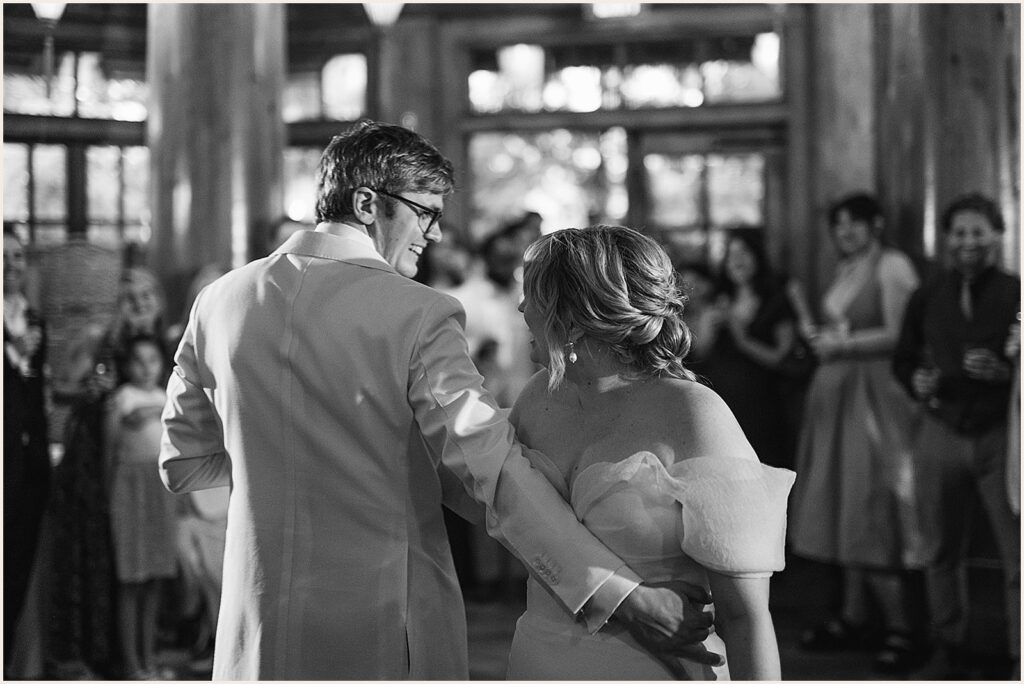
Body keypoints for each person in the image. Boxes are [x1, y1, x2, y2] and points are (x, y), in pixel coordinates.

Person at [159, 120, 721, 680]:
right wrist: (624, 596)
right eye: (425, 212)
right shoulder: (417, 312)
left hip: (254, 623)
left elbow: (183, 464)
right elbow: (492, 471)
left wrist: (285, 460)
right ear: (366, 203)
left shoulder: (217, 301)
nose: (435, 233)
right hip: (382, 619)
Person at [505, 225, 794, 680]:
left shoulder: (693, 414)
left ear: (578, 314)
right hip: (537, 661)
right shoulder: (536, 398)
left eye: (534, 295)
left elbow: (745, 618)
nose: (522, 307)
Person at [788, 193, 926, 673]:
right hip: (839, 397)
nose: (844, 233)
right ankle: (854, 616)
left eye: (854, 224)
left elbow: (901, 332)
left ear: (877, 224)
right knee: (841, 505)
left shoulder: (892, 266)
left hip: (874, 399)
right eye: (838, 225)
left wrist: (843, 343)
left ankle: (904, 628)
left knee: (870, 507)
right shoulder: (848, 267)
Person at [892, 192, 1020, 679]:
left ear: (998, 235)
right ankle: (951, 649)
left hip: (1001, 437)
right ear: (947, 239)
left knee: (1018, 556)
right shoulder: (928, 293)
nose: (968, 242)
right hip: (940, 429)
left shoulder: (1016, 291)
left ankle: (1018, 658)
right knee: (940, 549)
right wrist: (915, 380)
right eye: (959, 232)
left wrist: (1007, 372)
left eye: (978, 232)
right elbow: (902, 359)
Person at [47, 266, 169, 679]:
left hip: (147, 467)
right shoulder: (103, 340)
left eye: (145, 297)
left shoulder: (164, 346)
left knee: (146, 569)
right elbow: (65, 383)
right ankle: (104, 657)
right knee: (104, 560)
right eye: (129, 299)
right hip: (101, 457)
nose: (138, 307)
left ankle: (141, 655)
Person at [105, 334, 178, 680]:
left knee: (154, 581)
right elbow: (110, 450)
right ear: (126, 365)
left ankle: (149, 658)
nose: (146, 368)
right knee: (131, 581)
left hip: (159, 492)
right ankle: (132, 663)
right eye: (139, 360)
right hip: (129, 491)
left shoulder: (165, 396)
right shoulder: (122, 399)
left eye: (153, 360)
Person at [693, 228, 799, 468]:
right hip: (721, 402)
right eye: (731, 254)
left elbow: (780, 358)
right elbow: (699, 353)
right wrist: (709, 325)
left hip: (762, 404)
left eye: (744, 253)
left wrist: (742, 339)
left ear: (758, 257)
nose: (737, 260)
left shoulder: (775, 300)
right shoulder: (719, 299)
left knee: (762, 466)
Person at [4, 225, 51, 676]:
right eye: (2, 257)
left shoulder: (35, 319)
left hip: (29, 466)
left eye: (17, 257)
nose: (9, 266)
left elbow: (36, 397)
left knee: (18, 573)